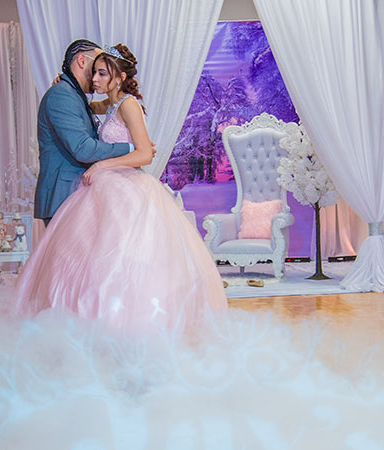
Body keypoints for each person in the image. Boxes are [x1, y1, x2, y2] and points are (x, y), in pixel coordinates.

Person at [13, 44, 227, 329]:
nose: (96, 78)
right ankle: (86, 322)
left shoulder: (127, 104)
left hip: (122, 186)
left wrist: (105, 163)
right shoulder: (102, 103)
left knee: (120, 260)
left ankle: (121, 323)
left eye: (103, 73)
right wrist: (64, 84)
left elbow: (144, 154)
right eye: (95, 71)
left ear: (120, 77)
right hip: (96, 187)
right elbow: (83, 115)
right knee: (95, 264)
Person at [34, 39, 137, 227]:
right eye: (96, 66)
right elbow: (83, 148)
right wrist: (131, 148)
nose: (98, 74)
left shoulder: (73, 94)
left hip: (79, 195)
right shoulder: (62, 94)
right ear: (82, 61)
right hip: (64, 195)